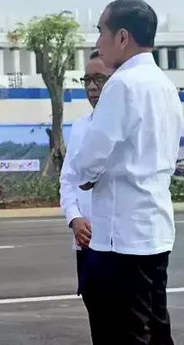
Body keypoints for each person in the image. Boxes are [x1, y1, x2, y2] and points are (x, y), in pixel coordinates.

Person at [70, 0, 183, 345]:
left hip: (122, 240)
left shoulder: (122, 84)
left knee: (124, 334)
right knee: (156, 328)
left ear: (122, 37)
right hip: (155, 231)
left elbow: (89, 159)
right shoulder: (165, 86)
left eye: (100, 31)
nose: (98, 40)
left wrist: (86, 177)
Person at [59, 51, 113, 290]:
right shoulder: (80, 127)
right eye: (87, 80)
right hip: (87, 243)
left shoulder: (126, 125)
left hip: (119, 246)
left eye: (99, 79)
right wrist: (74, 218)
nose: (92, 87)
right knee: (98, 318)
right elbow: (68, 179)